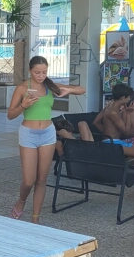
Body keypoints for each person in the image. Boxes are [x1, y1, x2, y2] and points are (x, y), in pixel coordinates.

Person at [7, 56, 85, 224]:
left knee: (42, 179)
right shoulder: (22, 88)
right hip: (28, 133)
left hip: (48, 134)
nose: (41, 76)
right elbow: (10, 115)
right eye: (37, 72)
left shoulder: (49, 86)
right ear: (30, 71)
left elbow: (82, 90)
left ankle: (36, 219)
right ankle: (22, 200)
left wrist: (67, 90)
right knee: (29, 180)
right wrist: (23, 105)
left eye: (44, 72)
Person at [92, 84, 134, 164]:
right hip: (111, 143)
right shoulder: (113, 113)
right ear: (123, 98)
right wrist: (127, 112)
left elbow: (95, 122)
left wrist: (106, 132)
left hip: (117, 141)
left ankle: (119, 164)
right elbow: (126, 131)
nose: (129, 100)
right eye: (128, 98)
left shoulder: (110, 106)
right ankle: (118, 165)